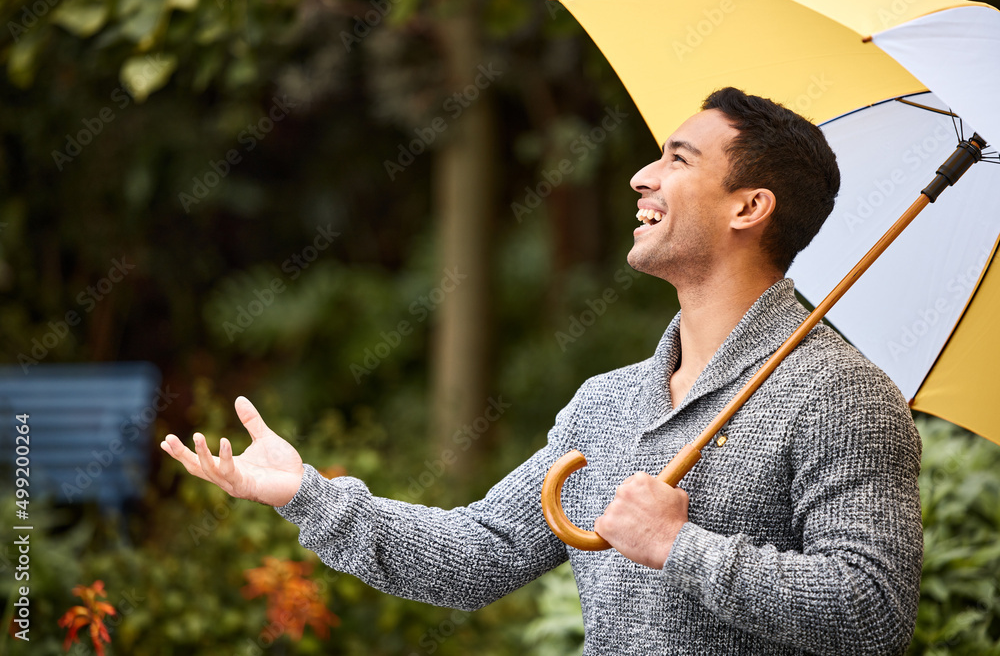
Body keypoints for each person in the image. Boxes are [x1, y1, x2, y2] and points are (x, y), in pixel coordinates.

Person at [161, 87, 923, 655]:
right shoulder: (609, 403)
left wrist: (680, 548)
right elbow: (476, 554)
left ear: (749, 206)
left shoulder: (840, 394)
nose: (640, 177)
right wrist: (308, 496)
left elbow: (873, 608)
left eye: (677, 159)